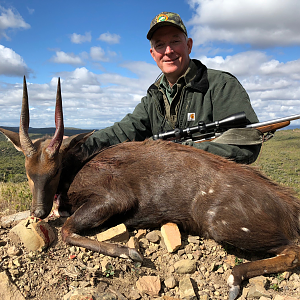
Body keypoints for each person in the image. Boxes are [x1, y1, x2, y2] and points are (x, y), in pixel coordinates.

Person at [78, 12, 262, 165]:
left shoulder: (221, 84)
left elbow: (245, 146)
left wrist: (181, 151)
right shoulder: (154, 96)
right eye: (159, 44)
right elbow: (124, 131)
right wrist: (77, 146)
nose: (168, 51)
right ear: (153, 54)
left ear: (188, 45)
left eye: (175, 41)